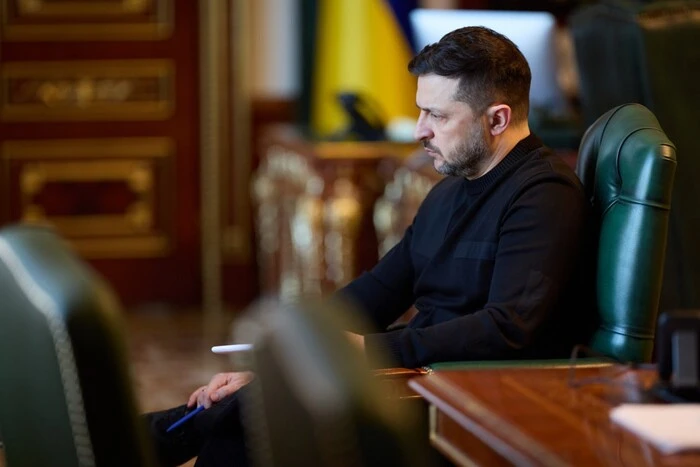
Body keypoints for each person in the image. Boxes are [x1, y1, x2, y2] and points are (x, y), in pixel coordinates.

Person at [146, 26, 597, 466]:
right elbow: (379, 290)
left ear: (497, 119)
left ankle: (151, 440)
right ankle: (157, 436)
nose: (420, 131)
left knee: (251, 424)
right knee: (258, 402)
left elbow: (506, 329)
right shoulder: (449, 189)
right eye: (420, 112)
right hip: (420, 372)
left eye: (438, 116)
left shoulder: (543, 195)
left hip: (473, 396)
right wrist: (292, 358)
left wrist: (367, 350)